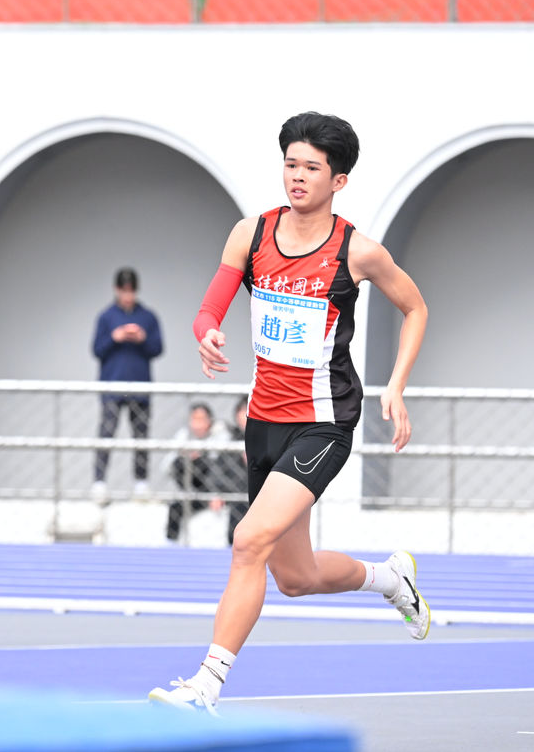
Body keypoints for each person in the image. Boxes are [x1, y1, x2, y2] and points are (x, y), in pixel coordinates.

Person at [148, 112, 431, 714]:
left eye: (311, 168)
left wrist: (397, 385)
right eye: (290, 164)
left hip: (323, 422)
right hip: (264, 423)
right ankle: (390, 578)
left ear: (339, 180)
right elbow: (209, 309)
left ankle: (205, 686)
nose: (297, 176)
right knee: (295, 578)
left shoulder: (358, 251)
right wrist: (206, 333)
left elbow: (416, 308)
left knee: (247, 539)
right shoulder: (250, 234)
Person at [91, 267, 163, 502]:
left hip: (140, 387)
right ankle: (99, 484)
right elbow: (96, 350)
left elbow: (158, 348)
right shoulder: (106, 317)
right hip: (112, 386)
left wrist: (142, 339)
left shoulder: (148, 317)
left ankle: (141, 484)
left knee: (141, 436)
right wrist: (115, 337)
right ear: (116, 290)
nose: (127, 296)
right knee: (106, 433)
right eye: (123, 291)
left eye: (131, 291)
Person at [164, 402, 231, 544]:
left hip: (216, 487)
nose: (197, 424)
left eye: (201, 419)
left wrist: (217, 494)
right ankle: (170, 543)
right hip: (192, 487)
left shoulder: (220, 434)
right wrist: (185, 455)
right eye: (194, 419)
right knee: (175, 507)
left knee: (205, 461)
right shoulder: (184, 435)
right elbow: (167, 465)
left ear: (209, 420)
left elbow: (220, 467)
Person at [218, 395, 250, 546]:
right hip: (234, 491)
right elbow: (219, 469)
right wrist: (218, 493)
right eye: (241, 411)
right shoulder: (231, 438)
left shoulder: (268, 439)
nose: (243, 416)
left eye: (247, 410)